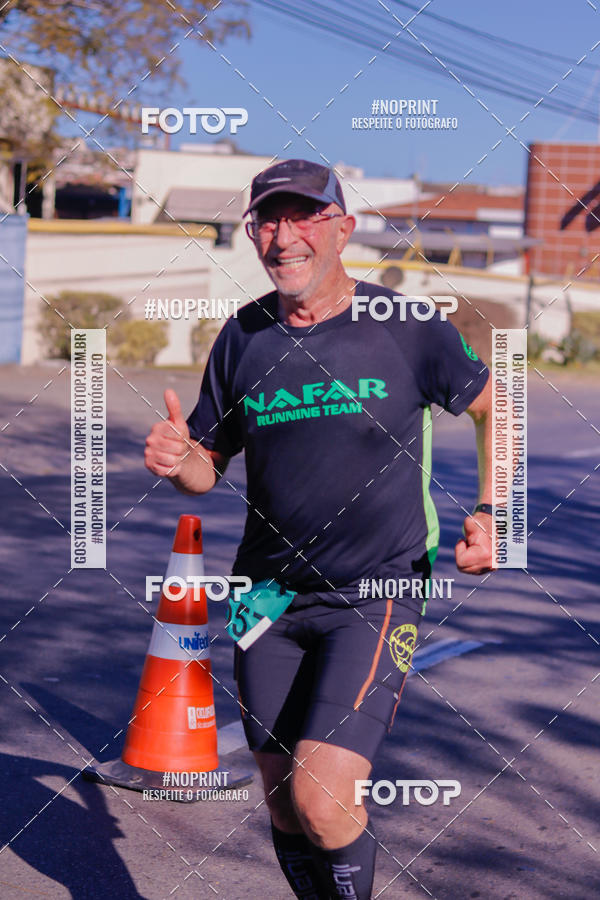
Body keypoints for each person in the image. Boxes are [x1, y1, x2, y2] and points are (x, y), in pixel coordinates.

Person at [144, 158, 493, 899]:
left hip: (375, 592)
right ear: (252, 234)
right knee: (281, 803)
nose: (284, 236)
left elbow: (500, 405)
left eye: (304, 216)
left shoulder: (406, 327)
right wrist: (180, 460)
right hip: (264, 598)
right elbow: (208, 466)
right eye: (268, 220)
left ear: (342, 228)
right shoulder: (244, 336)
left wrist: (498, 515)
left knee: (323, 799)